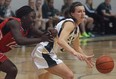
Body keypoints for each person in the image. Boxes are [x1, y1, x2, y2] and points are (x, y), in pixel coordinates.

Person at [31, 2, 94, 79]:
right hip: (44, 52)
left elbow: (77, 47)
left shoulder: (76, 29)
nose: (83, 14)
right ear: (72, 14)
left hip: (44, 52)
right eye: (79, 11)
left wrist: (85, 57)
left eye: (84, 11)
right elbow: (61, 41)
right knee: (69, 75)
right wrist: (74, 53)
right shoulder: (70, 23)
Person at [0, 5, 55, 79]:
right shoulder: (14, 23)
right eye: (32, 17)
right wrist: (41, 39)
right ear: (24, 17)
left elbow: (43, 34)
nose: (34, 20)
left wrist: (52, 32)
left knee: (11, 70)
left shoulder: (29, 27)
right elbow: (20, 40)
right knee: (12, 70)